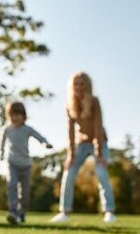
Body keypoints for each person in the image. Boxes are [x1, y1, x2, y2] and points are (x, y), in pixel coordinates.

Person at [50, 72, 116, 223]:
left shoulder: (94, 102)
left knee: (101, 172)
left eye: (81, 83)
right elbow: (70, 132)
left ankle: (109, 211)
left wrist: (99, 154)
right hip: (81, 144)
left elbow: (98, 127)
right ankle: (64, 212)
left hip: (99, 141)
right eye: (76, 84)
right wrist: (70, 155)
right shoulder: (69, 104)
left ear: (87, 86)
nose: (78, 87)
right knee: (69, 172)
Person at [0, 101, 53, 224]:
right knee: (11, 185)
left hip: (25, 165)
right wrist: (1, 153)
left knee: (24, 192)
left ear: (23, 116)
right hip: (11, 162)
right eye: (12, 115)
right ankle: (13, 212)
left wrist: (45, 143)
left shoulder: (27, 129)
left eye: (18, 115)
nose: (15, 118)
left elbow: (39, 136)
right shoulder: (7, 129)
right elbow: (2, 142)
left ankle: (21, 212)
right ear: (9, 116)